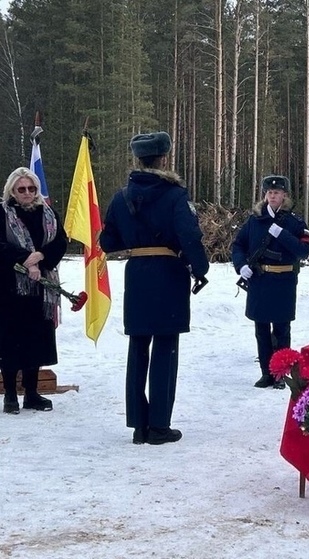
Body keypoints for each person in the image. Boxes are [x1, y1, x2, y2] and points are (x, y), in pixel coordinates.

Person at [100, 131, 209, 445]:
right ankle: (159, 426)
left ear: (139, 159)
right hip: (167, 275)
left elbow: (108, 242)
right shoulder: (174, 195)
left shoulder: (121, 197)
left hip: (137, 276)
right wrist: (200, 268)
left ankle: (138, 425)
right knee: (165, 348)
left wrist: (136, 239)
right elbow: (189, 235)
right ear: (163, 158)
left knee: (137, 349)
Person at [232, 175, 309, 389]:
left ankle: (281, 374)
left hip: (284, 281)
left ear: (284, 195)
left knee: (282, 330)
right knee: (261, 329)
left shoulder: (295, 222)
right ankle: (266, 373)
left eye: (276, 193)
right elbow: (238, 245)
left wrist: (283, 235)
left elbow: (304, 251)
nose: (272, 196)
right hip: (260, 280)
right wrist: (242, 266)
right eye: (269, 193)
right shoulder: (255, 220)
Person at [0, 167, 67, 414]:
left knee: (36, 341)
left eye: (31, 188)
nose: (27, 193)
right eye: (22, 189)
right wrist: (26, 259)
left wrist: (40, 257)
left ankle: (31, 393)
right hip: (10, 288)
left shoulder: (48, 213)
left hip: (42, 288)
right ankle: (10, 396)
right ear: (12, 191)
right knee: (11, 342)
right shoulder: (3, 212)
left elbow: (61, 241)